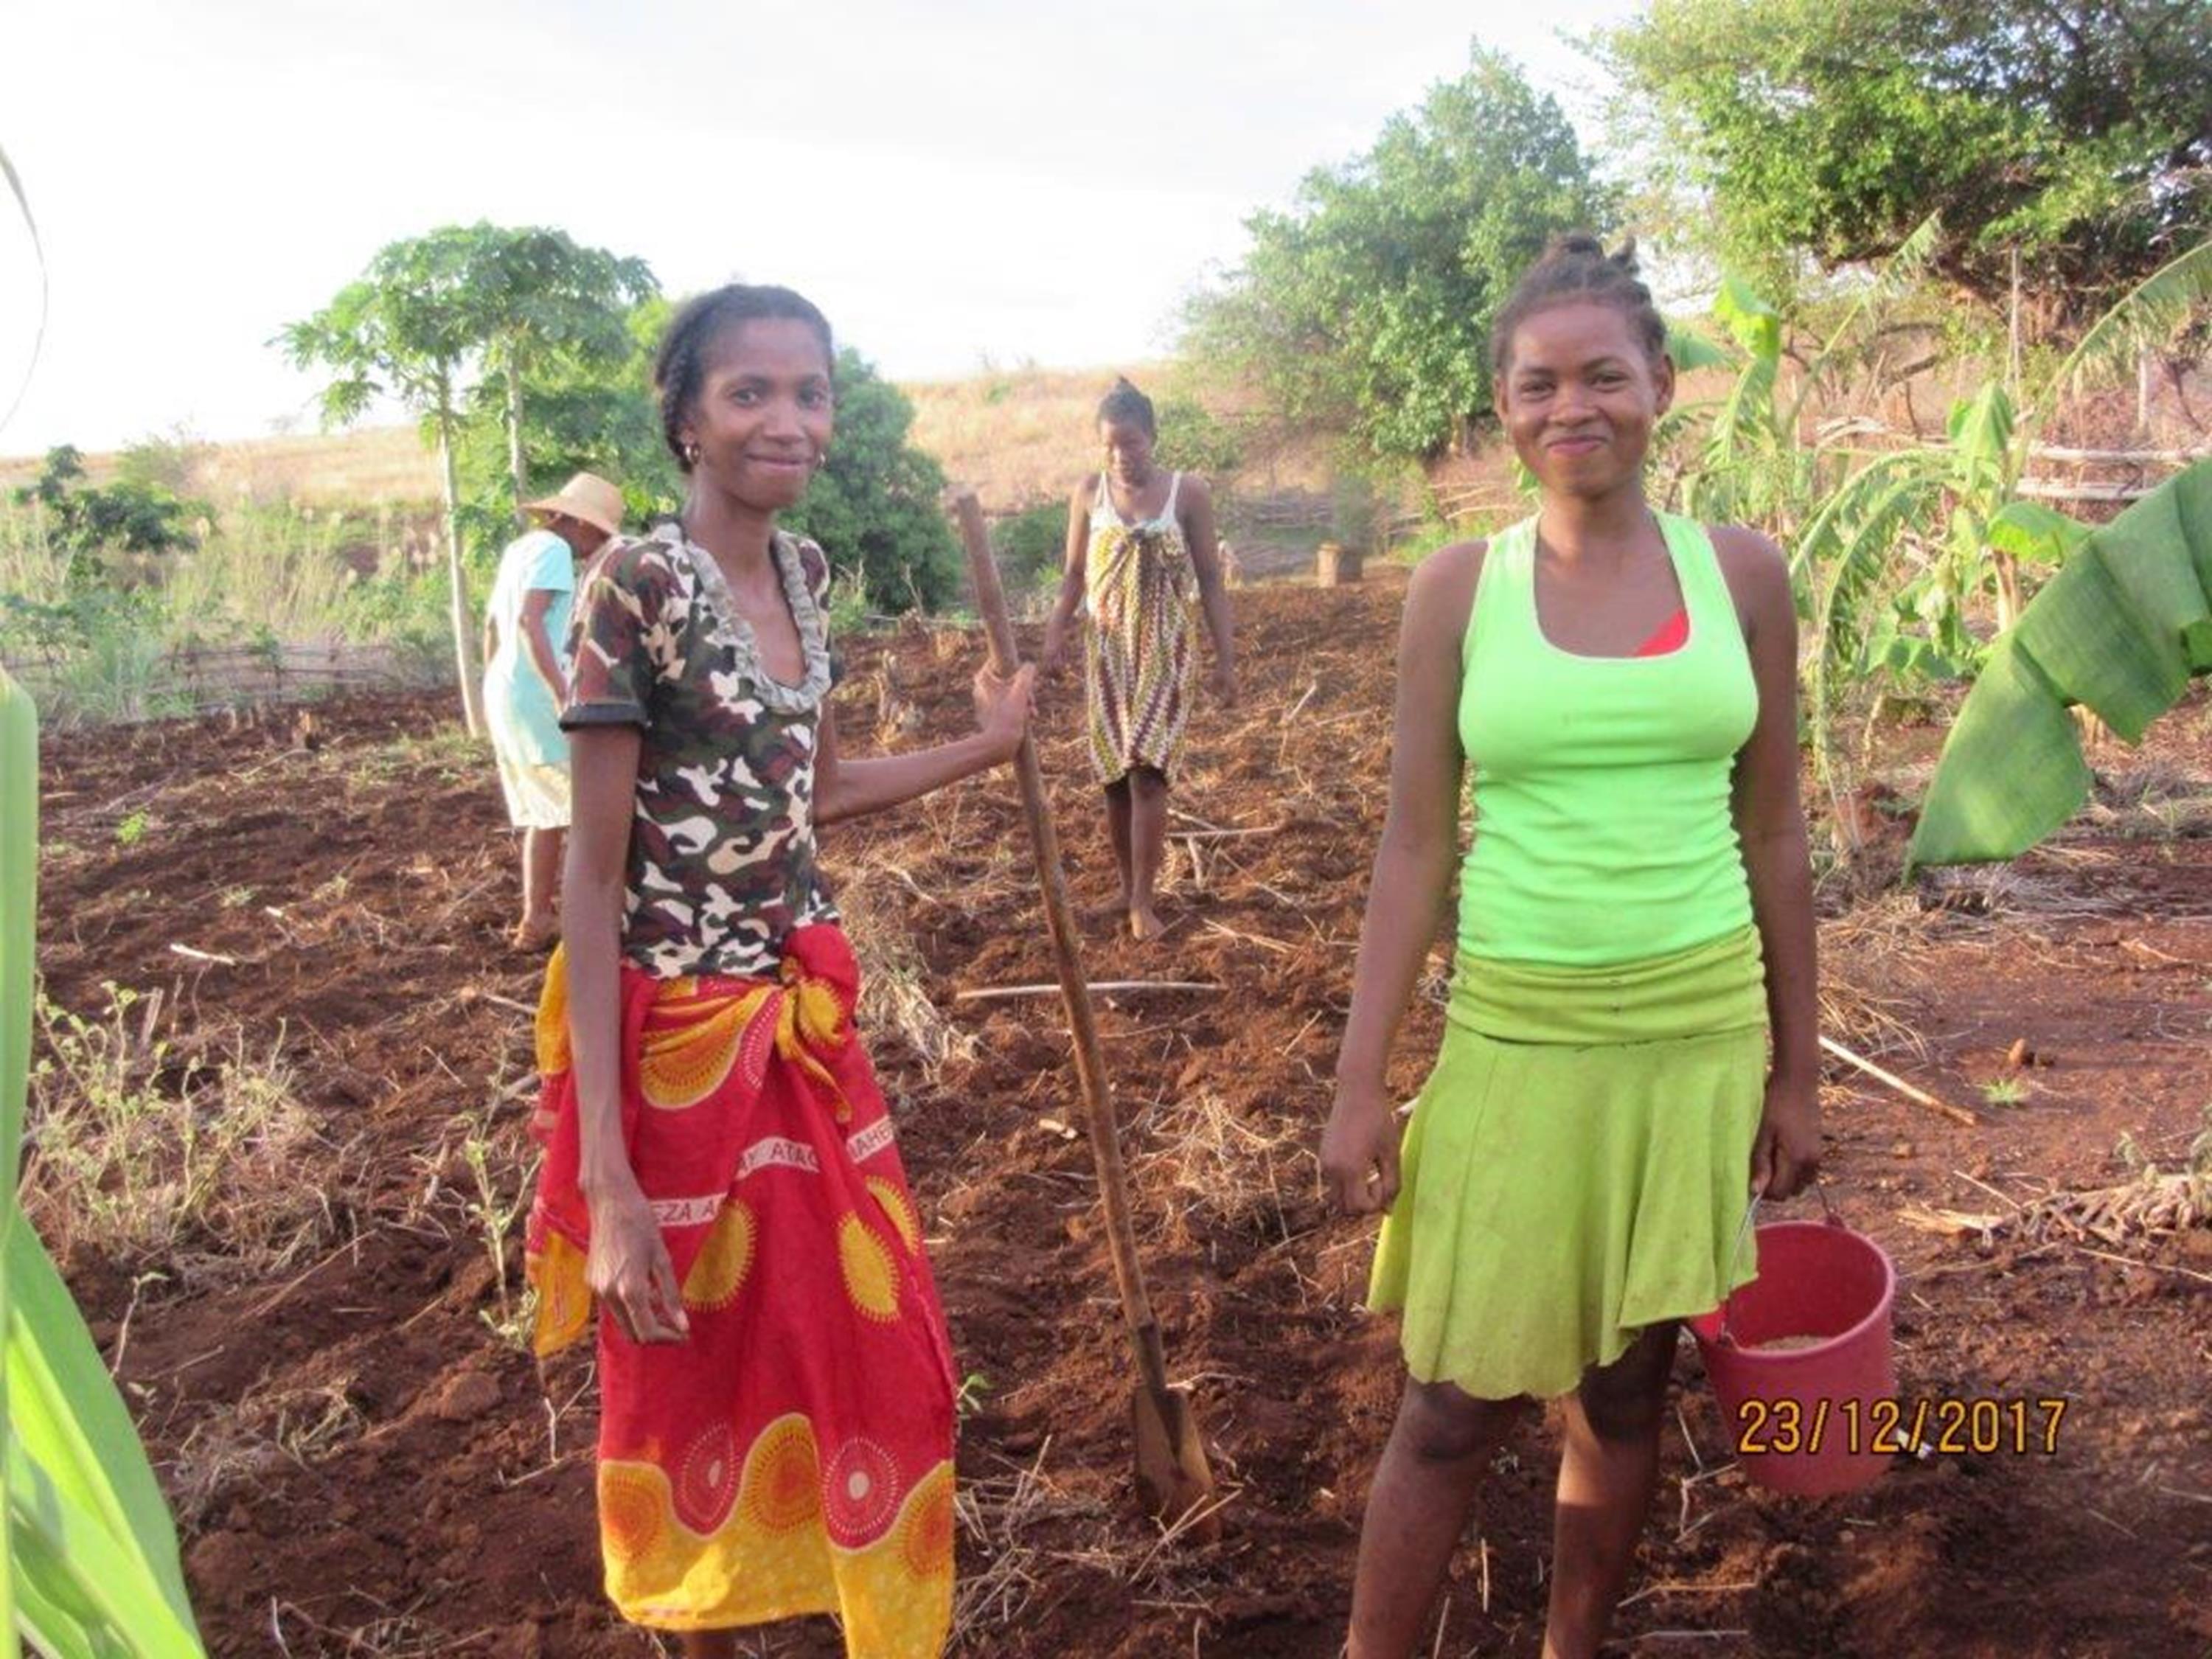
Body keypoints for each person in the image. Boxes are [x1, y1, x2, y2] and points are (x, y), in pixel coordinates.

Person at [1318, 234, 1820, 1659]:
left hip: (1694, 1032)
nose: (1572, 407)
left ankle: (1571, 1647)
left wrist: (1798, 1075)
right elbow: (1415, 847)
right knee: (1450, 1403)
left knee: (1623, 1390)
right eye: (1538, 384)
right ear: (1503, 407)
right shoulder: (1457, 592)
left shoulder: (1741, 576)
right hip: (1518, 1034)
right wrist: (1360, 1081)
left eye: (1605, 375)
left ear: (1662, 382)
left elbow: (1775, 831)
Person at [522, 285, 1034, 1659]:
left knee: (872, 1348)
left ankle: (820, 1586)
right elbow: (589, 880)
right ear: (687, 420)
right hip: (678, 1042)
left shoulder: (805, 577)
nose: (787, 420)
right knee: (693, 1371)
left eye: (810, 392)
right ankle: (709, 1622)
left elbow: (812, 793)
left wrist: (985, 749)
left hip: (800, 1026)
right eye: (749, 392)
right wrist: (609, 1181)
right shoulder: (637, 585)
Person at [1040, 377, 1236, 942]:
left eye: (1131, 443)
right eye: (1110, 445)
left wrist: (1227, 661)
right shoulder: (1089, 493)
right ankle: (1127, 889)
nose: (1121, 455)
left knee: (1149, 774)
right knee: (1115, 778)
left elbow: (1211, 580)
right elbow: (1073, 576)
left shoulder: (1188, 494)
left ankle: (1144, 902)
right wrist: (1054, 638)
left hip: (1165, 652)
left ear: (1153, 437)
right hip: (1107, 653)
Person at [481, 471, 623, 949]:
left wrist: (494, 688)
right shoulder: (554, 551)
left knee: (546, 813)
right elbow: (530, 620)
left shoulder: (520, 549)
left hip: (507, 690)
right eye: (597, 535)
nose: (593, 548)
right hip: (536, 694)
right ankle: (594, 918)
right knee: (589, 808)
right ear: (578, 523)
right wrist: (562, 695)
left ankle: (537, 919)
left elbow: (493, 628)